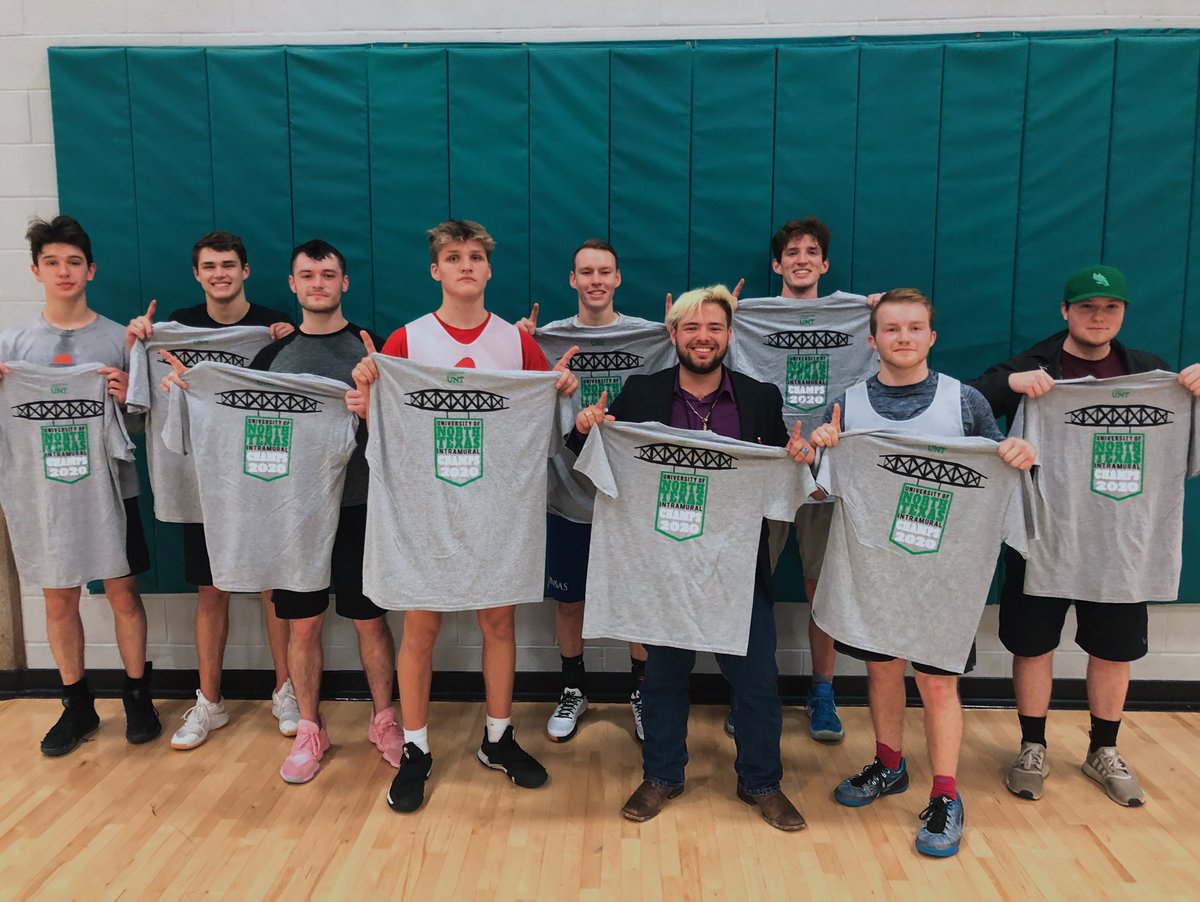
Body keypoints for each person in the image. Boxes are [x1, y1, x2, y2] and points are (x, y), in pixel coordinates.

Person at [348, 219, 579, 813]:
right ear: (436, 270)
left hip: (495, 509)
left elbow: (546, 425)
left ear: (489, 269)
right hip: (427, 510)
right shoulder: (407, 340)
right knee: (421, 628)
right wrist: (368, 392)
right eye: (454, 257)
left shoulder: (516, 343)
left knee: (498, 623)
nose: (466, 265)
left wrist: (564, 389)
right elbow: (383, 425)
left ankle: (497, 738)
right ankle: (416, 748)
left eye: (476, 256)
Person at [572, 284, 815, 831]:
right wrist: (585, 428)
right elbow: (592, 456)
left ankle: (762, 782)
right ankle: (662, 774)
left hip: (738, 565)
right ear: (673, 334)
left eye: (714, 328)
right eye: (692, 328)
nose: (703, 337)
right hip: (664, 563)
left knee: (757, 679)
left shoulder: (760, 397)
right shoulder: (641, 392)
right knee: (662, 675)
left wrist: (798, 457)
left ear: (729, 335)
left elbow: (782, 466)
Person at [813, 288, 1035, 857]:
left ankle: (945, 795)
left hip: (944, 576)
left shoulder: (964, 402)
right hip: (875, 569)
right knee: (883, 671)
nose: (903, 337)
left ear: (932, 337)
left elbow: (999, 472)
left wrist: (1017, 454)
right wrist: (819, 449)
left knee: (937, 684)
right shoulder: (847, 404)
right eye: (891, 329)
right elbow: (817, 487)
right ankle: (889, 764)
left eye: (914, 327)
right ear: (873, 340)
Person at [970, 265, 1200, 807]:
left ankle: (1104, 748)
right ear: (1066, 311)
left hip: (1124, 539)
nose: (1099, 317)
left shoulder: (1154, 375)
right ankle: (1032, 745)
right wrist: (1009, 385)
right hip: (1043, 534)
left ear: (1123, 313)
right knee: (1033, 645)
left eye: (1110, 307)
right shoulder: (1033, 365)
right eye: (1087, 307)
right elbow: (968, 399)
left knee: (1114, 650)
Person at [126, 231, 298, 750]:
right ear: (197, 274)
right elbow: (140, 406)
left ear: (245, 271)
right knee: (210, 590)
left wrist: (290, 342)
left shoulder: (274, 328)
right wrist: (139, 344)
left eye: (228, 264)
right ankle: (210, 701)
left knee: (273, 588)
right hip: (201, 483)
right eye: (209, 266)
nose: (219, 273)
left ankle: (285, 690)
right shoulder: (171, 330)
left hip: (262, 479)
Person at [241, 240, 403, 783]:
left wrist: (373, 413)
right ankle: (310, 728)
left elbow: (406, 434)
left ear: (344, 283)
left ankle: (384, 720)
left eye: (328, 274)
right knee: (303, 625)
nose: (318, 284)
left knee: (369, 621)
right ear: (293, 284)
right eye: (308, 275)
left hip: (362, 506)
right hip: (297, 513)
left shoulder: (372, 348)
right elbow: (254, 436)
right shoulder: (272, 359)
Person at [0, 215, 159, 755]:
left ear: (91, 270)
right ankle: (77, 705)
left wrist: (128, 395)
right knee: (58, 598)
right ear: (35, 271)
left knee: (123, 592)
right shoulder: (12, 345)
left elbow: (141, 423)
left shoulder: (118, 338)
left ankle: (137, 695)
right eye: (52, 262)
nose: (63, 271)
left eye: (73, 262)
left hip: (112, 489)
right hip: (44, 494)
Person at [727, 217, 878, 743]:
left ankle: (823, 690)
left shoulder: (859, 314)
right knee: (753, 587)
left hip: (830, 466)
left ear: (825, 263)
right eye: (792, 252)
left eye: (811, 251)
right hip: (770, 466)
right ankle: (748, 691)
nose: (801, 259)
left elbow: (894, 334)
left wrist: (876, 311)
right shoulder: (749, 316)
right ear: (777, 264)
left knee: (822, 588)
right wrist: (727, 315)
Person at [518, 239, 673, 743]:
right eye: (586, 272)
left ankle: (641, 693)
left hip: (629, 495)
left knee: (636, 600)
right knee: (569, 603)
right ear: (573, 280)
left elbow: (702, 355)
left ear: (618, 278)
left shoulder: (650, 336)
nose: (596, 280)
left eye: (605, 271)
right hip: (568, 491)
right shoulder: (548, 339)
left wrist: (674, 333)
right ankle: (573, 688)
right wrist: (521, 341)